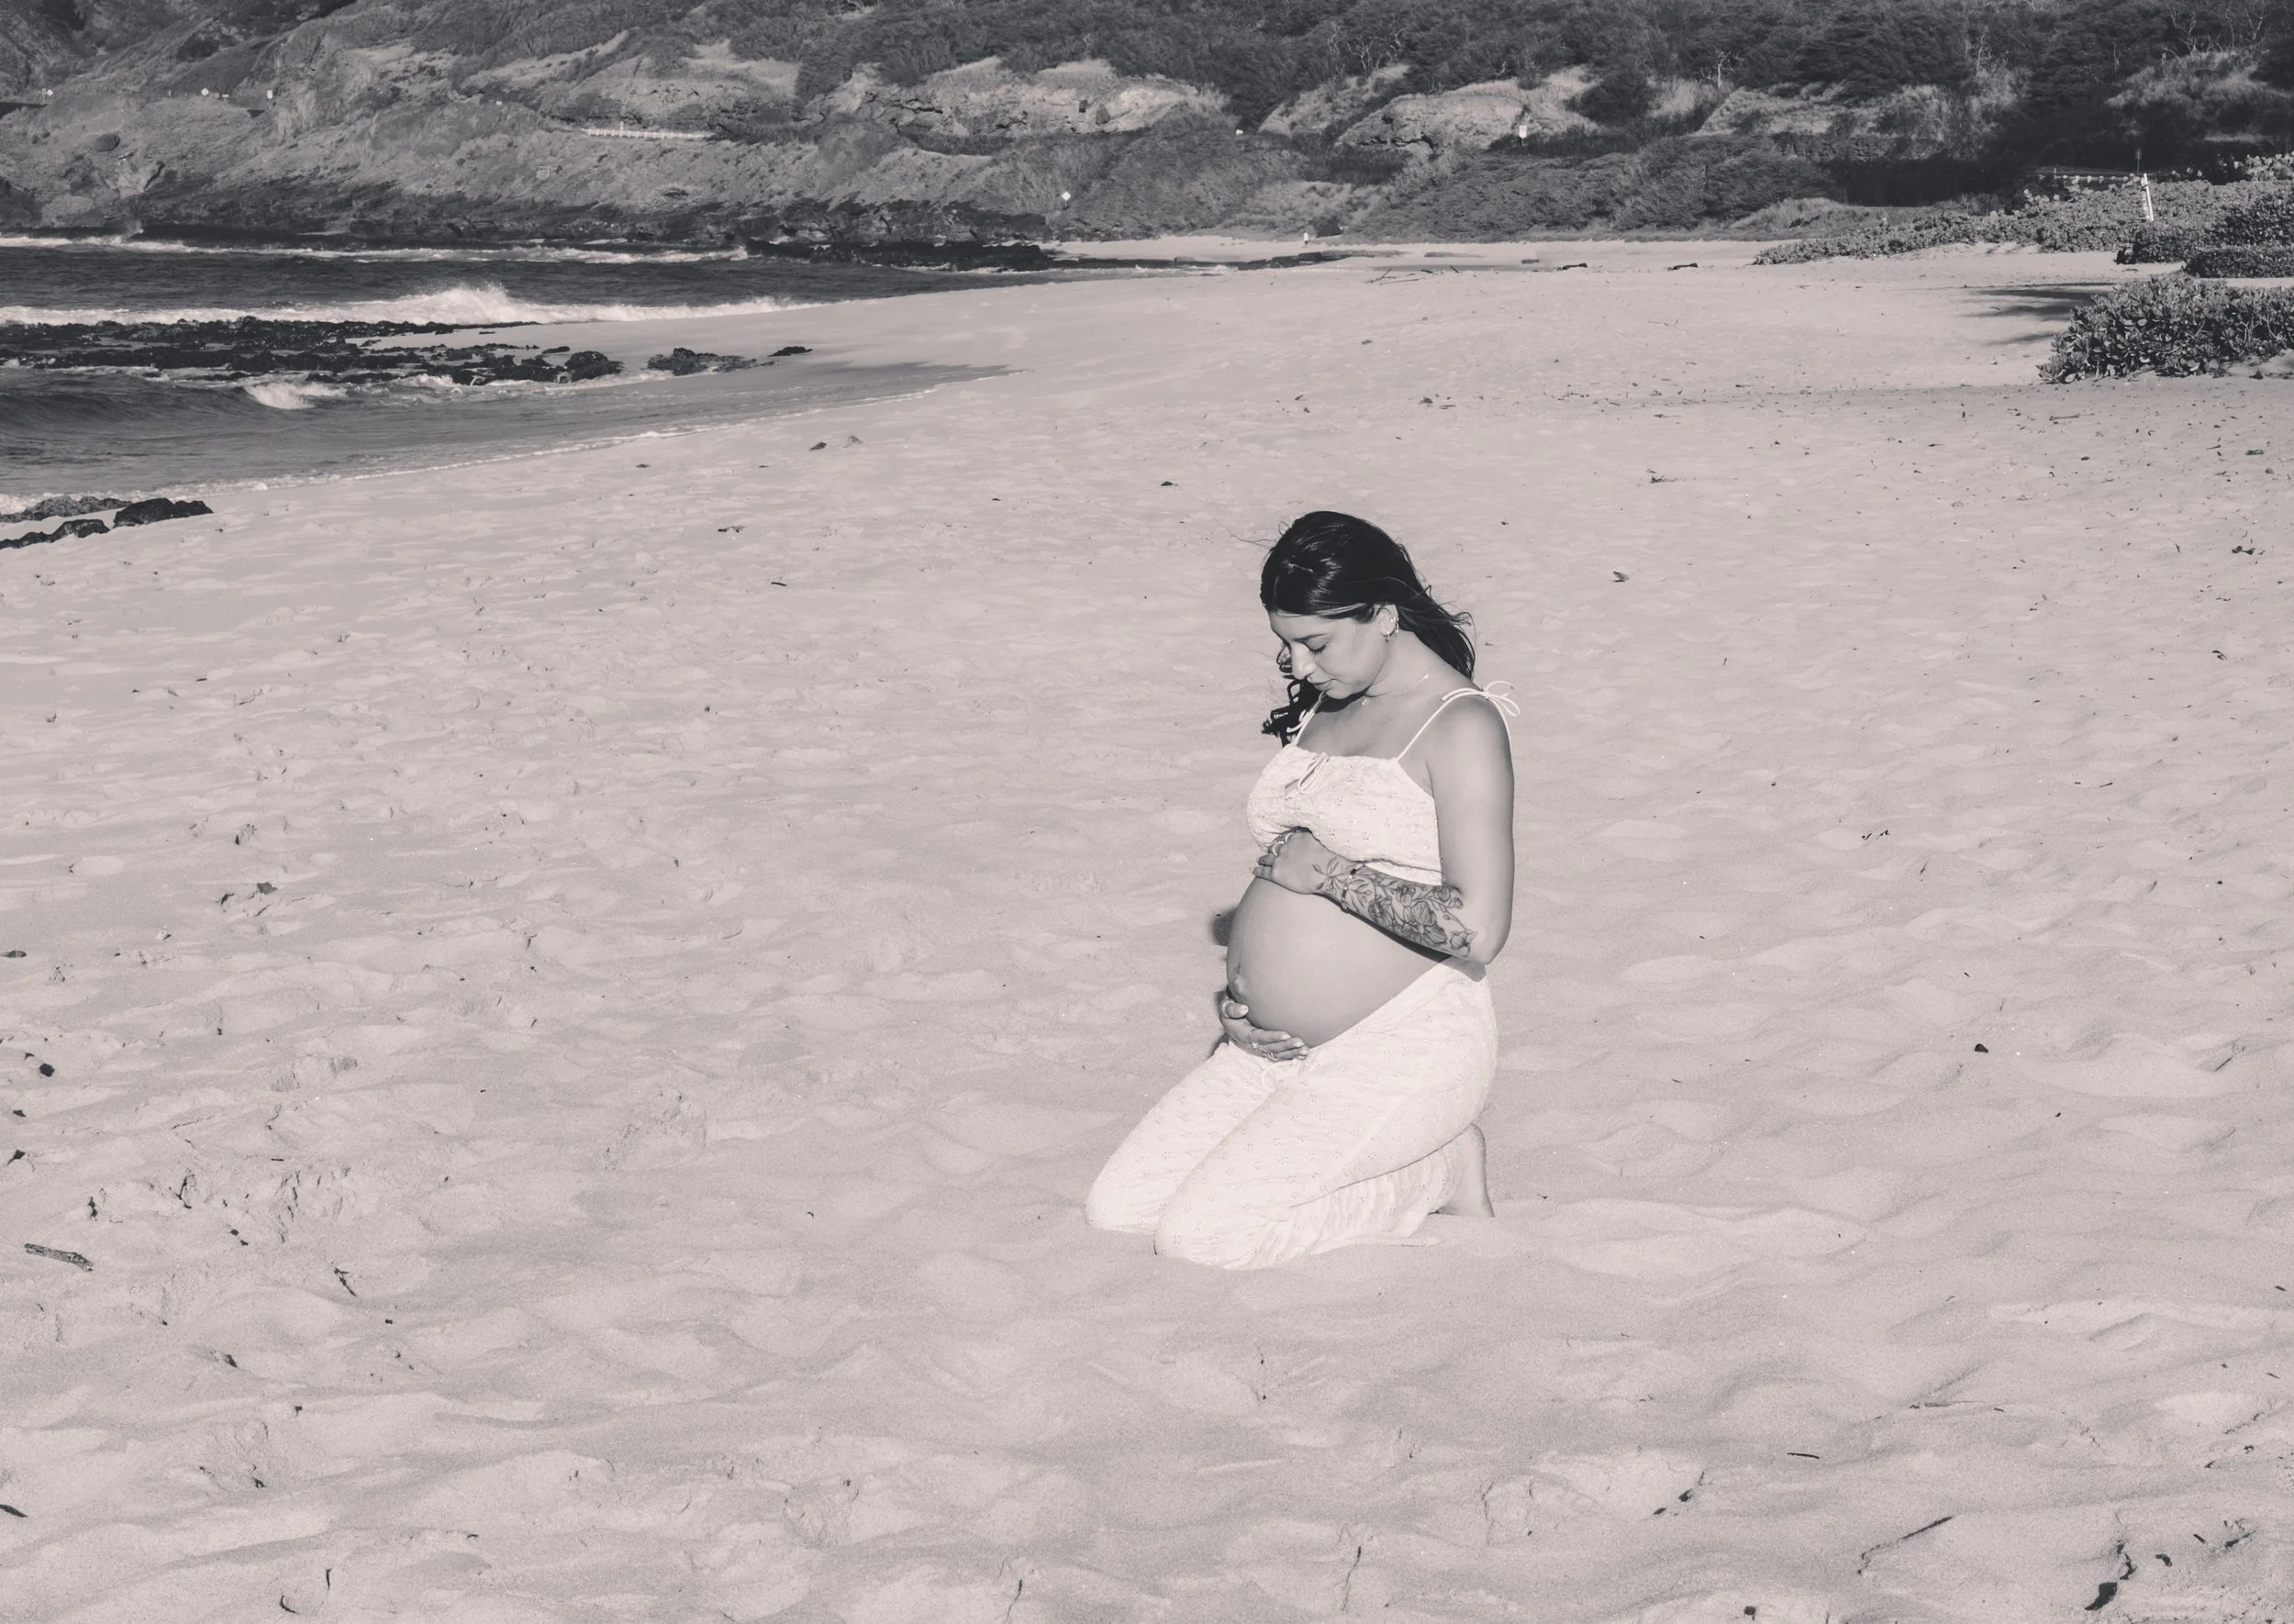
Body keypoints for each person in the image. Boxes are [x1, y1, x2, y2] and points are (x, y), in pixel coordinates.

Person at [1086, 511, 1517, 1268]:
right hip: (1269, 1048)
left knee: (1205, 1237)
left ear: (1383, 613)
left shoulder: (1461, 726)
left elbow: (1478, 928)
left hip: (1401, 1045)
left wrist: (1328, 875)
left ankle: (1440, 1167)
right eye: (1286, 643)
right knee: (1121, 1208)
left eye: (1315, 642)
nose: (1300, 665)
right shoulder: (1331, 701)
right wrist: (1244, 999)